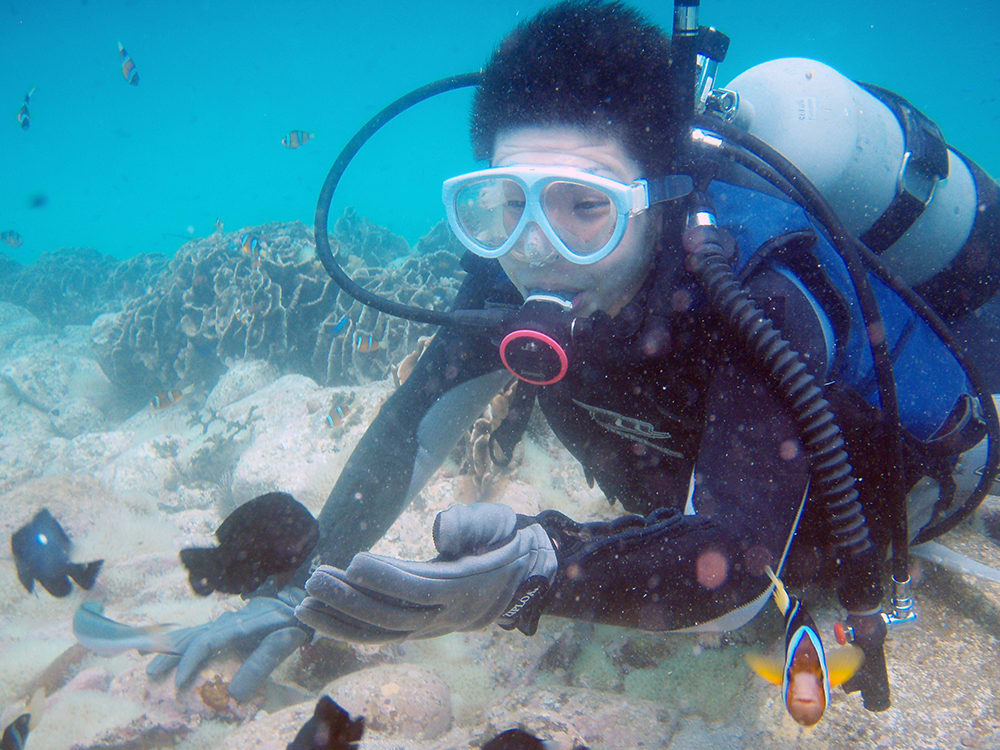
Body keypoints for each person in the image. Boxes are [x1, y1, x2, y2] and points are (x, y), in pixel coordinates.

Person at [147, 0, 1000, 710]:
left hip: (896, 485)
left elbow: (736, 568)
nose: (534, 248)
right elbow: (420, 419)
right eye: (500, 202)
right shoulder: (506, 270)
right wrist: (301, 585)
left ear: (662, 199)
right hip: (699, 487)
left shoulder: (750, 289)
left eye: (583, 205)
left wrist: (539, 569)